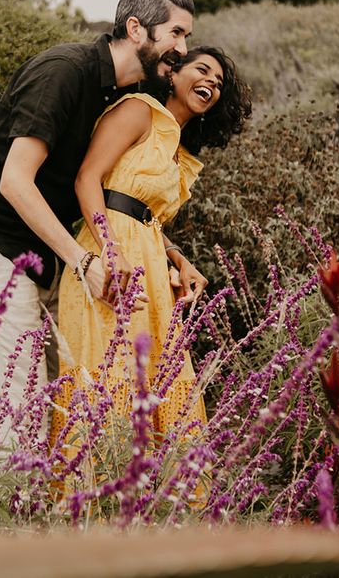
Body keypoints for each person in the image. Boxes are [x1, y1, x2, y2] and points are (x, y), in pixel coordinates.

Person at [0, 0, 194, 443]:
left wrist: (170, 253)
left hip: (48, 255)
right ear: (136, 29)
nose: (182, 49)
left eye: (187, 35)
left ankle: (52, 517)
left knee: (66, 404)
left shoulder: (125, 96)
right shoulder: (64, 70)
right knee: (20, 413)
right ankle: (10, 518)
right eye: (177, 33)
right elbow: (14, 182)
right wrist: (85, 262)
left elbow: (110, 193)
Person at [51, 46, 252, 450]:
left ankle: (154, 501)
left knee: (159, 378)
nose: (211, 83)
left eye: (219, 83)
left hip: (150, 269)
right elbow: (88, 181)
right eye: (202, 70)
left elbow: (146, 218)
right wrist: (111, 251)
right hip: (108, 258)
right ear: (173, 75)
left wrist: (178, 258)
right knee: (106, 375)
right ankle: (89, 498)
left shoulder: (177, 148)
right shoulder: (140, 110)